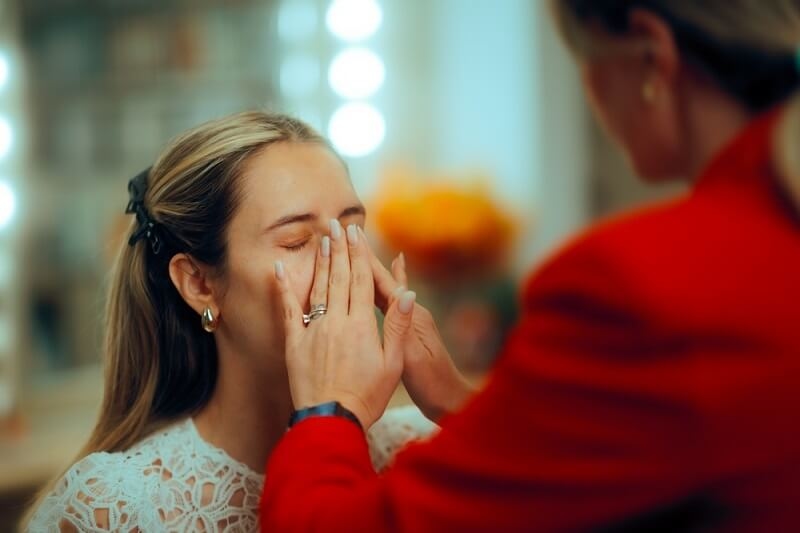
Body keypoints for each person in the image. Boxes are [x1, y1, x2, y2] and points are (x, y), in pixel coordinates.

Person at [260, 1, 800, 531]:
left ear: (651, 55)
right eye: (297, 240)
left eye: (582, 59)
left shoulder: (640, 283)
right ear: (196, 282)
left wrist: (327, 410)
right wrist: (457, 400)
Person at [24, 111, 434, 531]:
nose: (345, 264)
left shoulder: (424, 450)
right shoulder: (112, 508)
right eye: (296, 242)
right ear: (200, 283)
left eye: (353, 229)